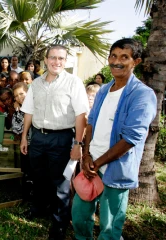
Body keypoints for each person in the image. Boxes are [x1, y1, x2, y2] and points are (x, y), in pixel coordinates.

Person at [72, 38, 157, 240]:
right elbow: (90, 124)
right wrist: (86, 157)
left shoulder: (142, 95)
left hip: (115, 169)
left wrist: (97, 163)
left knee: (109, 227)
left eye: (124, 57)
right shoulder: (103, 90)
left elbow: (130, 139)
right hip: (91, 163)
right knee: (79, 215)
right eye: (113, 56)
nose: (116, 61)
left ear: (135, 61)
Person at [20, 44, 89, 239]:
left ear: (65, 61)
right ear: (45, 60)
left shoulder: (74, 83)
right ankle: (39, 208)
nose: (56, 62)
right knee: (39, 177)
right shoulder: (36, 83)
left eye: (61, 58)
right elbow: (29, 111)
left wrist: (78, 144)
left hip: (62, 137)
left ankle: (59, 224)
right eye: (53, 58)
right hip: (38, 136)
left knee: (61, 183)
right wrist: (25, 136)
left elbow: (81, 115)